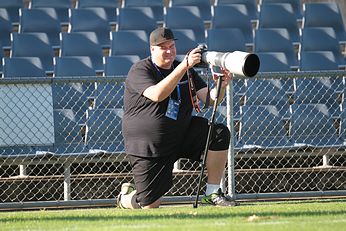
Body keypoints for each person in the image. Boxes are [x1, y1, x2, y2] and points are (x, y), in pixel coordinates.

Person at [117, 27, 237, 209]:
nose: (169, 51)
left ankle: (212, 192)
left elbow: (210, 99)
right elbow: (158, 94)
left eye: (172, 46)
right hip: (150, 146)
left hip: (181, 134)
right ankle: (126, 198)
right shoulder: (140, 69)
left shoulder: (184, 69)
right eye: (163, 47)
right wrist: (184, 66)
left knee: (219, 133)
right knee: (149, 206)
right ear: (152, 50)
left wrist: (221, 84)